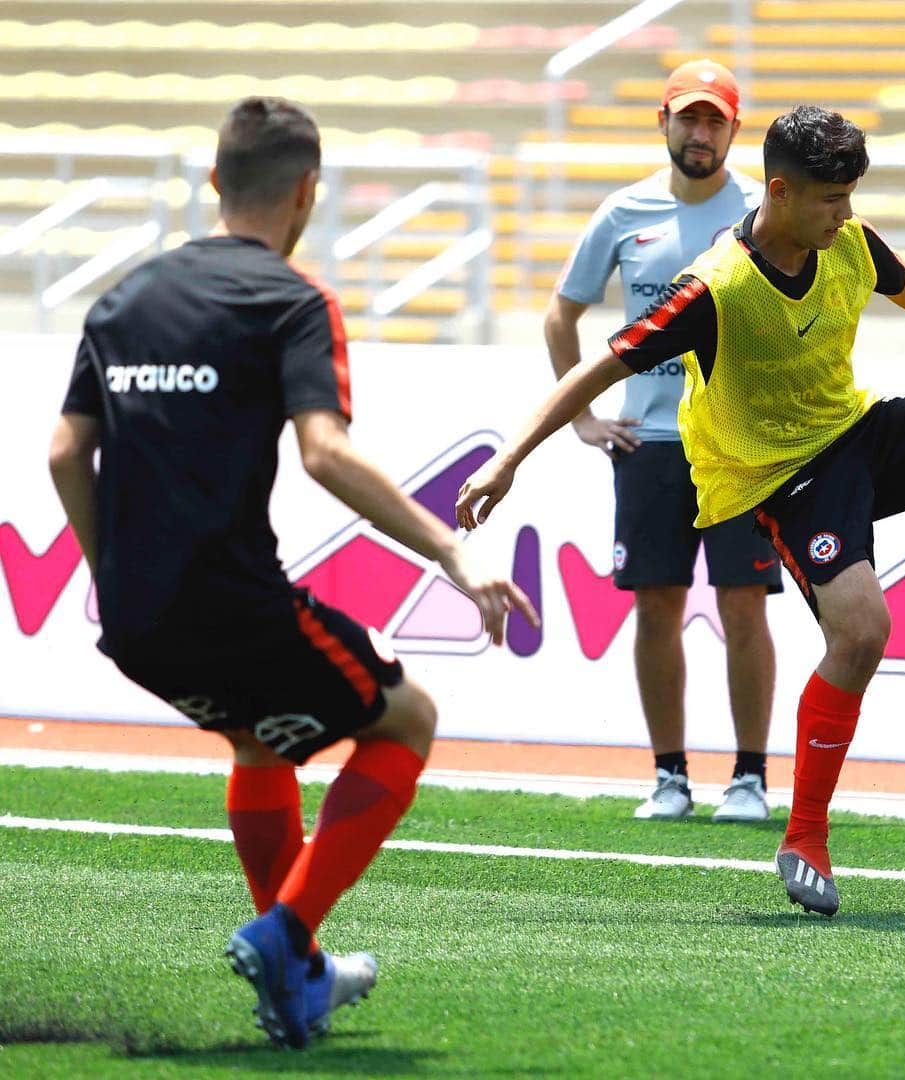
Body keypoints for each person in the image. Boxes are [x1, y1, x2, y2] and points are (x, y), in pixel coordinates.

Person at [456, 105, 905, 918]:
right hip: (780, 476)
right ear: (780, 192)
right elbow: (602, 367)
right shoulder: (714, 288)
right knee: (862, 633)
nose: (847, 215)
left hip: (857, 431)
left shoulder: (844, 238)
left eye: (852, 197)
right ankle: (805, 834)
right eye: (832, 199)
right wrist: (510, 456)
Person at [48, 96, 538, 1048]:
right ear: (307, 192)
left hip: (134, 622)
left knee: (260, 742)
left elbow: (66, 453)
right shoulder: (289, 300)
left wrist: (115, 571)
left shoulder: (122, 299)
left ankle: (298, 977)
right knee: (408, 718)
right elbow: (324, 453)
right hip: (230, 600)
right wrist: (451, 548)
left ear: (214, 183)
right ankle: (288, 935)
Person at [545, 59, 781, 824]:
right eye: (690, 117)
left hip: (739, 443)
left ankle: (748, 777)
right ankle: (670, 776)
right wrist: (580, 416)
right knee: (656, 606)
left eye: (715, 120)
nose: (701, 132)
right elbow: (561, 313)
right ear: (665, 123)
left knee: (744, 605)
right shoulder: (623, 212)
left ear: (734, 130)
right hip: (648, 441)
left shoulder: (764, 209)